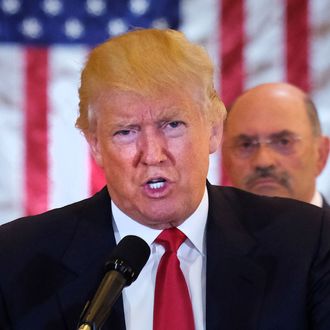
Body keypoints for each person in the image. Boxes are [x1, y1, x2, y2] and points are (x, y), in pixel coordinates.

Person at [0, 29, 330, 330]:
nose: (153, 154)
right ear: (96, 145)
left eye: (172, 125)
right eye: (126, 132)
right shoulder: (16, 259)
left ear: (214, 130)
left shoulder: (308, 241)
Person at [222, 82, 330, 208]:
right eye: (246, 145)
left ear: (320, 154)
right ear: (226, 158)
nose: (263, 161)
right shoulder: (204, 227)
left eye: (284, 142)